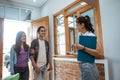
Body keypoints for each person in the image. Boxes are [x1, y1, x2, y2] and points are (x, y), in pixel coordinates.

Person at [67, 15, 103, 80]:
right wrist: (72, 53)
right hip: (83, 67)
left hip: (89, 68)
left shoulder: (91, 35)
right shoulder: (82, 37)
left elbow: (98, 52)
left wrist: (83, 48)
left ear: (82, 25)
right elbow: (84, 54)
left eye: (77, 25)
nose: (76, 27)